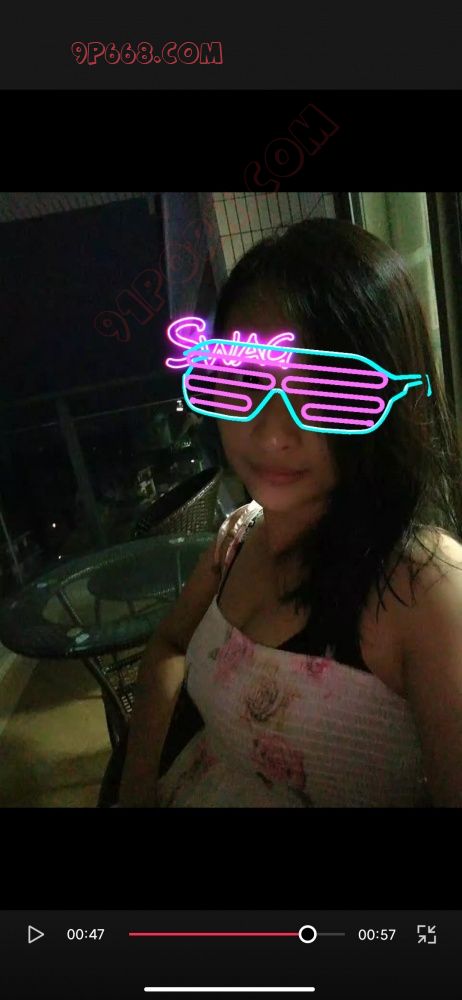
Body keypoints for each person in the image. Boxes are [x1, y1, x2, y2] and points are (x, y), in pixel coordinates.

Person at [118, 217, 462, 808]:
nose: (272, 434)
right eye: (244, 383)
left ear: (394, 398)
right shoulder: (238, 534)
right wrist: (136, 786)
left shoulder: (427, 590)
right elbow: (169, 644)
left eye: (325, 392)